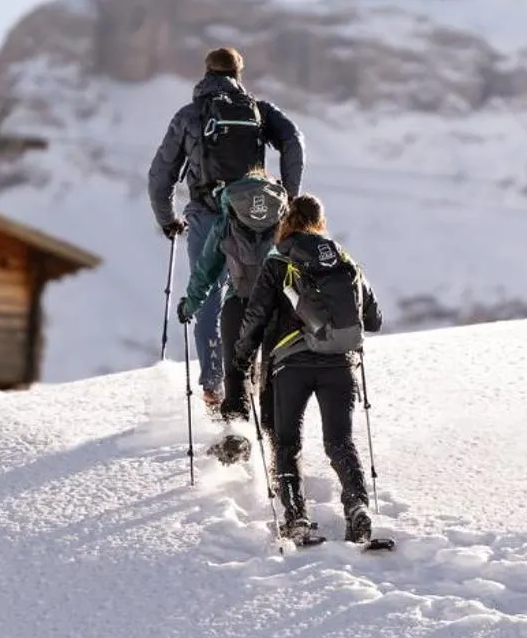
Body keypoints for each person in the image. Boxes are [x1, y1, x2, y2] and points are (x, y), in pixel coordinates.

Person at [148, 46, 304, 409]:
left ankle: (213, 388)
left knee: (208, 298)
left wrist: (168, 220)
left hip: (205, 212)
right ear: (239, 72)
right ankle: (258, 375)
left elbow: (160, 176)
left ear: (205, 73)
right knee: (256, 292)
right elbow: (294, 141)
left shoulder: (190, 116)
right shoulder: (259, 111)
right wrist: (289, 197)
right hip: (258, 213)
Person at [232, 193, 383, 545]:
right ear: (320, 220)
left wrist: (241, 360)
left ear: (287, 221)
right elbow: (374, 319)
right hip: (341, 364)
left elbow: (256, 316)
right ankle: (358, 507)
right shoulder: (344, 259)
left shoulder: (278, 260)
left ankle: (296, 517)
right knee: (340, 441)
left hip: (291, 365)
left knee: (286, 443)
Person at [176, 163, 290, 437]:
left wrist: (189, 305)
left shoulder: (226, 220)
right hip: (279, 308)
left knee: (236, 373)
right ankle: (277, 442)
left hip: (238, 303)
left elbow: (206, 271)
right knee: (272, 374)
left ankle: (237, 434)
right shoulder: (285, 216)